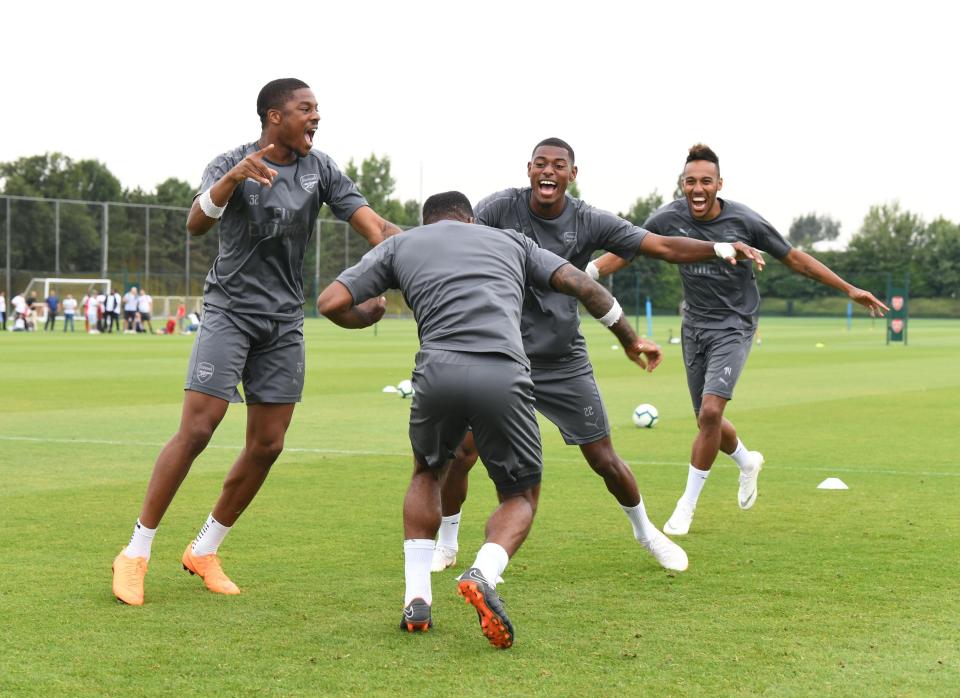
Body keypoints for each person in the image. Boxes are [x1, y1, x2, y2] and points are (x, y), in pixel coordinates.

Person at [318, 191, 664, 649]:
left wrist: (369, 314)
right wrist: (629, 338)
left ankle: (416, 598)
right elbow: (584, 285)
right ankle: (483, 571)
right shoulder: (510, 241)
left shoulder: (402, 245)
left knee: (427, 472)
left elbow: (329, 302)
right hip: (503, 371)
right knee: (520, 495)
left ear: (428, 222)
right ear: (472, 219)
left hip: (437, 370)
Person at [111, 77, 402, 607]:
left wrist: (425, 249)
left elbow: (374, 226)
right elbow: (196, 223)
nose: (317, 117)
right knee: (199, 427)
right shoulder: (233, 161)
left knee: (268, 444)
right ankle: (135, 551)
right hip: (230, 310)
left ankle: (205, 549)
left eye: (318, 109)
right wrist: (230, 181)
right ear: (274, 116)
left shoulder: (322, 169)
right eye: (306, 109)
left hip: (285, 319)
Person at [430, 138, 764, 575]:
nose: (549, 172)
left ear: (573, 173)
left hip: (563, 358)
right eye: (541, 164)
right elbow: (458, 243)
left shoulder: (587, 219)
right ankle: (447, 541)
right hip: (503, 354)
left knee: (603, 458)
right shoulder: (497, 210)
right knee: (463, 452)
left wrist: (716, 247)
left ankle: (647, 533)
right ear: (529, 169)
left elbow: (659, 245)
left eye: (559, 165)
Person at [591, 143, 889, 535]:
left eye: (706, 182)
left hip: (735, 324)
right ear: (682, 184)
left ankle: (687, 505)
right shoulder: (667, 217)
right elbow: (629, 249)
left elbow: (795, 258)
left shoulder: (746, 221)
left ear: (719, 184)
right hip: (693, 325)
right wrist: (581, 276)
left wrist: (849, 288)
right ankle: (747, 462)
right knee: (706, 418)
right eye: (690, 181)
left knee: (711, 413)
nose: (697, 189)